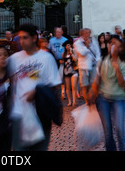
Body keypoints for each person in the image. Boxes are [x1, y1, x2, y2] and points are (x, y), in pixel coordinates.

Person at [8, 23, 61, 151]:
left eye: (25, 38)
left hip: (40, 113)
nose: (22, 41)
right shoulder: (14, 59)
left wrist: (38, 91)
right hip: (19, 114)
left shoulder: (46, 58)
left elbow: (55, 86)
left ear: (34, 38)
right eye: (20, 38)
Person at [88, 35, 125, 151]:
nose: (112, 46)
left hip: (119, 99)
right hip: (103, 98)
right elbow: (97, 79)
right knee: (108, 132)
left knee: (119, 129)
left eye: (115, 44)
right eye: (111, 43)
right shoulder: (103, 60)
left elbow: (123, 84)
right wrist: (92, 92)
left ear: (121, 48)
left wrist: (117, 68)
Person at [74, 28, 101, 105]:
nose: (88, 35)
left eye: (89, 33)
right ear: (82, 34)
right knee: (85, 86)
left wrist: (98, 61)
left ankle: (93, 101)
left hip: (93, 66)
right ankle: (87, 102)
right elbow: (82, 53)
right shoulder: (77, 43)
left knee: (94, 84)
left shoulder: (93, 41)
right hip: (83, 67)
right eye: (86, 33)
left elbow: (97, 52)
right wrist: (87, 45)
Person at [49, 27, 67, 99]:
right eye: (56, 32)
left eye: (59, 32)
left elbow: (68, 50)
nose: (58, 33)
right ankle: (55, 91)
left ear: (62, 32)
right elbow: (49, 50)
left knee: (62, 77)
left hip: (63, 60)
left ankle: (63, 92)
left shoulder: (65, 40)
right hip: (54, 60)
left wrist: (64, 58)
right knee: (54, 76)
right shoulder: (51, 40)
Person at [62, 40, 78, 106]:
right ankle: (70, 101)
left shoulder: (74, 52)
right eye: (68, 45)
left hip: (73, 70)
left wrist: (72, 54)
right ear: (65, 47)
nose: (69, 46)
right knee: (67, 87)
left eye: (70, 45)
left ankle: (74, 101)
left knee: (73, 86)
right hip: (66, 71)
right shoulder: (64, 54)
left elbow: (75, 60)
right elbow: (64, 61)